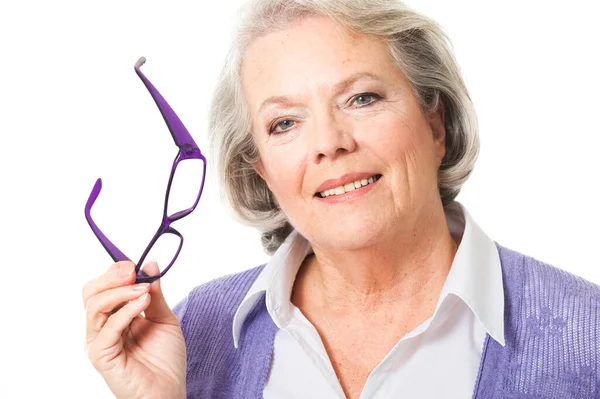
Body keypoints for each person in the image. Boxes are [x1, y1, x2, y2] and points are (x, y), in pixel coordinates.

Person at [82, 0, 600, 398]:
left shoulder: (588, 336)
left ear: (434, 124)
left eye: (362, 98)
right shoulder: (198, 331)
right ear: (261, 169)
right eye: (285, 123)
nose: (330, 142)